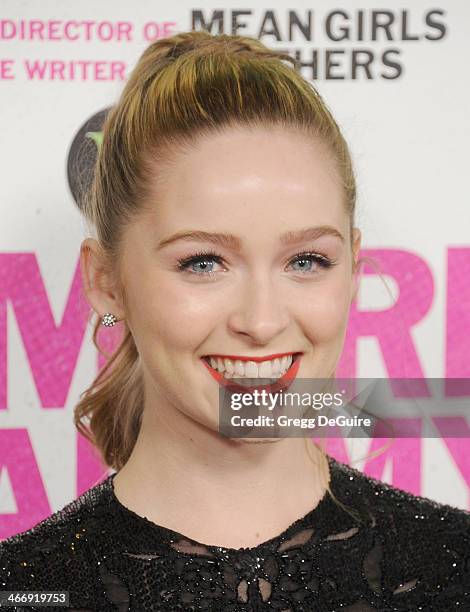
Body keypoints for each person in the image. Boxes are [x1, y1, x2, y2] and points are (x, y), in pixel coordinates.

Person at [1, 30, 469, 612]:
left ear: (352, 270)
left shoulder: (456, 567)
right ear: (106, 281)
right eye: (203, 262)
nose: (262, 321)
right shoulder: (23, 591)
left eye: (306, 261)